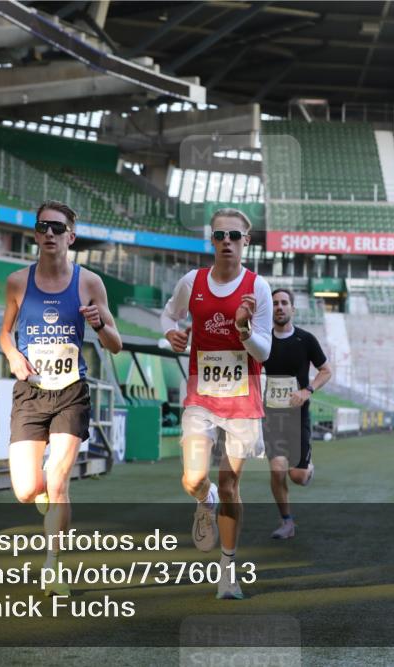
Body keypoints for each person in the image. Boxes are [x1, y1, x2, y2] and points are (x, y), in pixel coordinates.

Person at [0, 200, 122, 596]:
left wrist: (99, 325)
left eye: (57, 228)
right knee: (26, 490)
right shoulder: (17, 281)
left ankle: (53, 565)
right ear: (36, 235)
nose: (49, 233)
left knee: (59, 479)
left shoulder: (90, 283)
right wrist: (12, 355)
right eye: (42, 227)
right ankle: (42, 493)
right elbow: (5, 333)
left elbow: (115, 344)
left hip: (71, 392)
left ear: (71, 236)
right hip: (31, 392)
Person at [162, 208, 273, 600]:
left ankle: (227, 570)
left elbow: (263, 352)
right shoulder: (192, 282)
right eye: (220, 235)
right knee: (194, 479)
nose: (227, 241)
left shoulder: (257, 287)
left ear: (246, 242)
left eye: (234, 236)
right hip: (202, 397)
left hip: (242, 401)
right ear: (211, 240)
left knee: (229, 484)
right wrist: (171, 334)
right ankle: (202, 498)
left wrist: (243, 329)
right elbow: (169, 316)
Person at [262, 288, 332, 539]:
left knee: (298, 476)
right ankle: (287, 522)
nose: (279, 307)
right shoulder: (262, 341)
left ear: (292, 308)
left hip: (298, 416)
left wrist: (307, 390)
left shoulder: (306, 340)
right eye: (275, 303)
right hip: (272, 417)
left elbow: (326, 370)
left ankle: (307, 468)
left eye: (284, 303)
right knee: (277, 469)